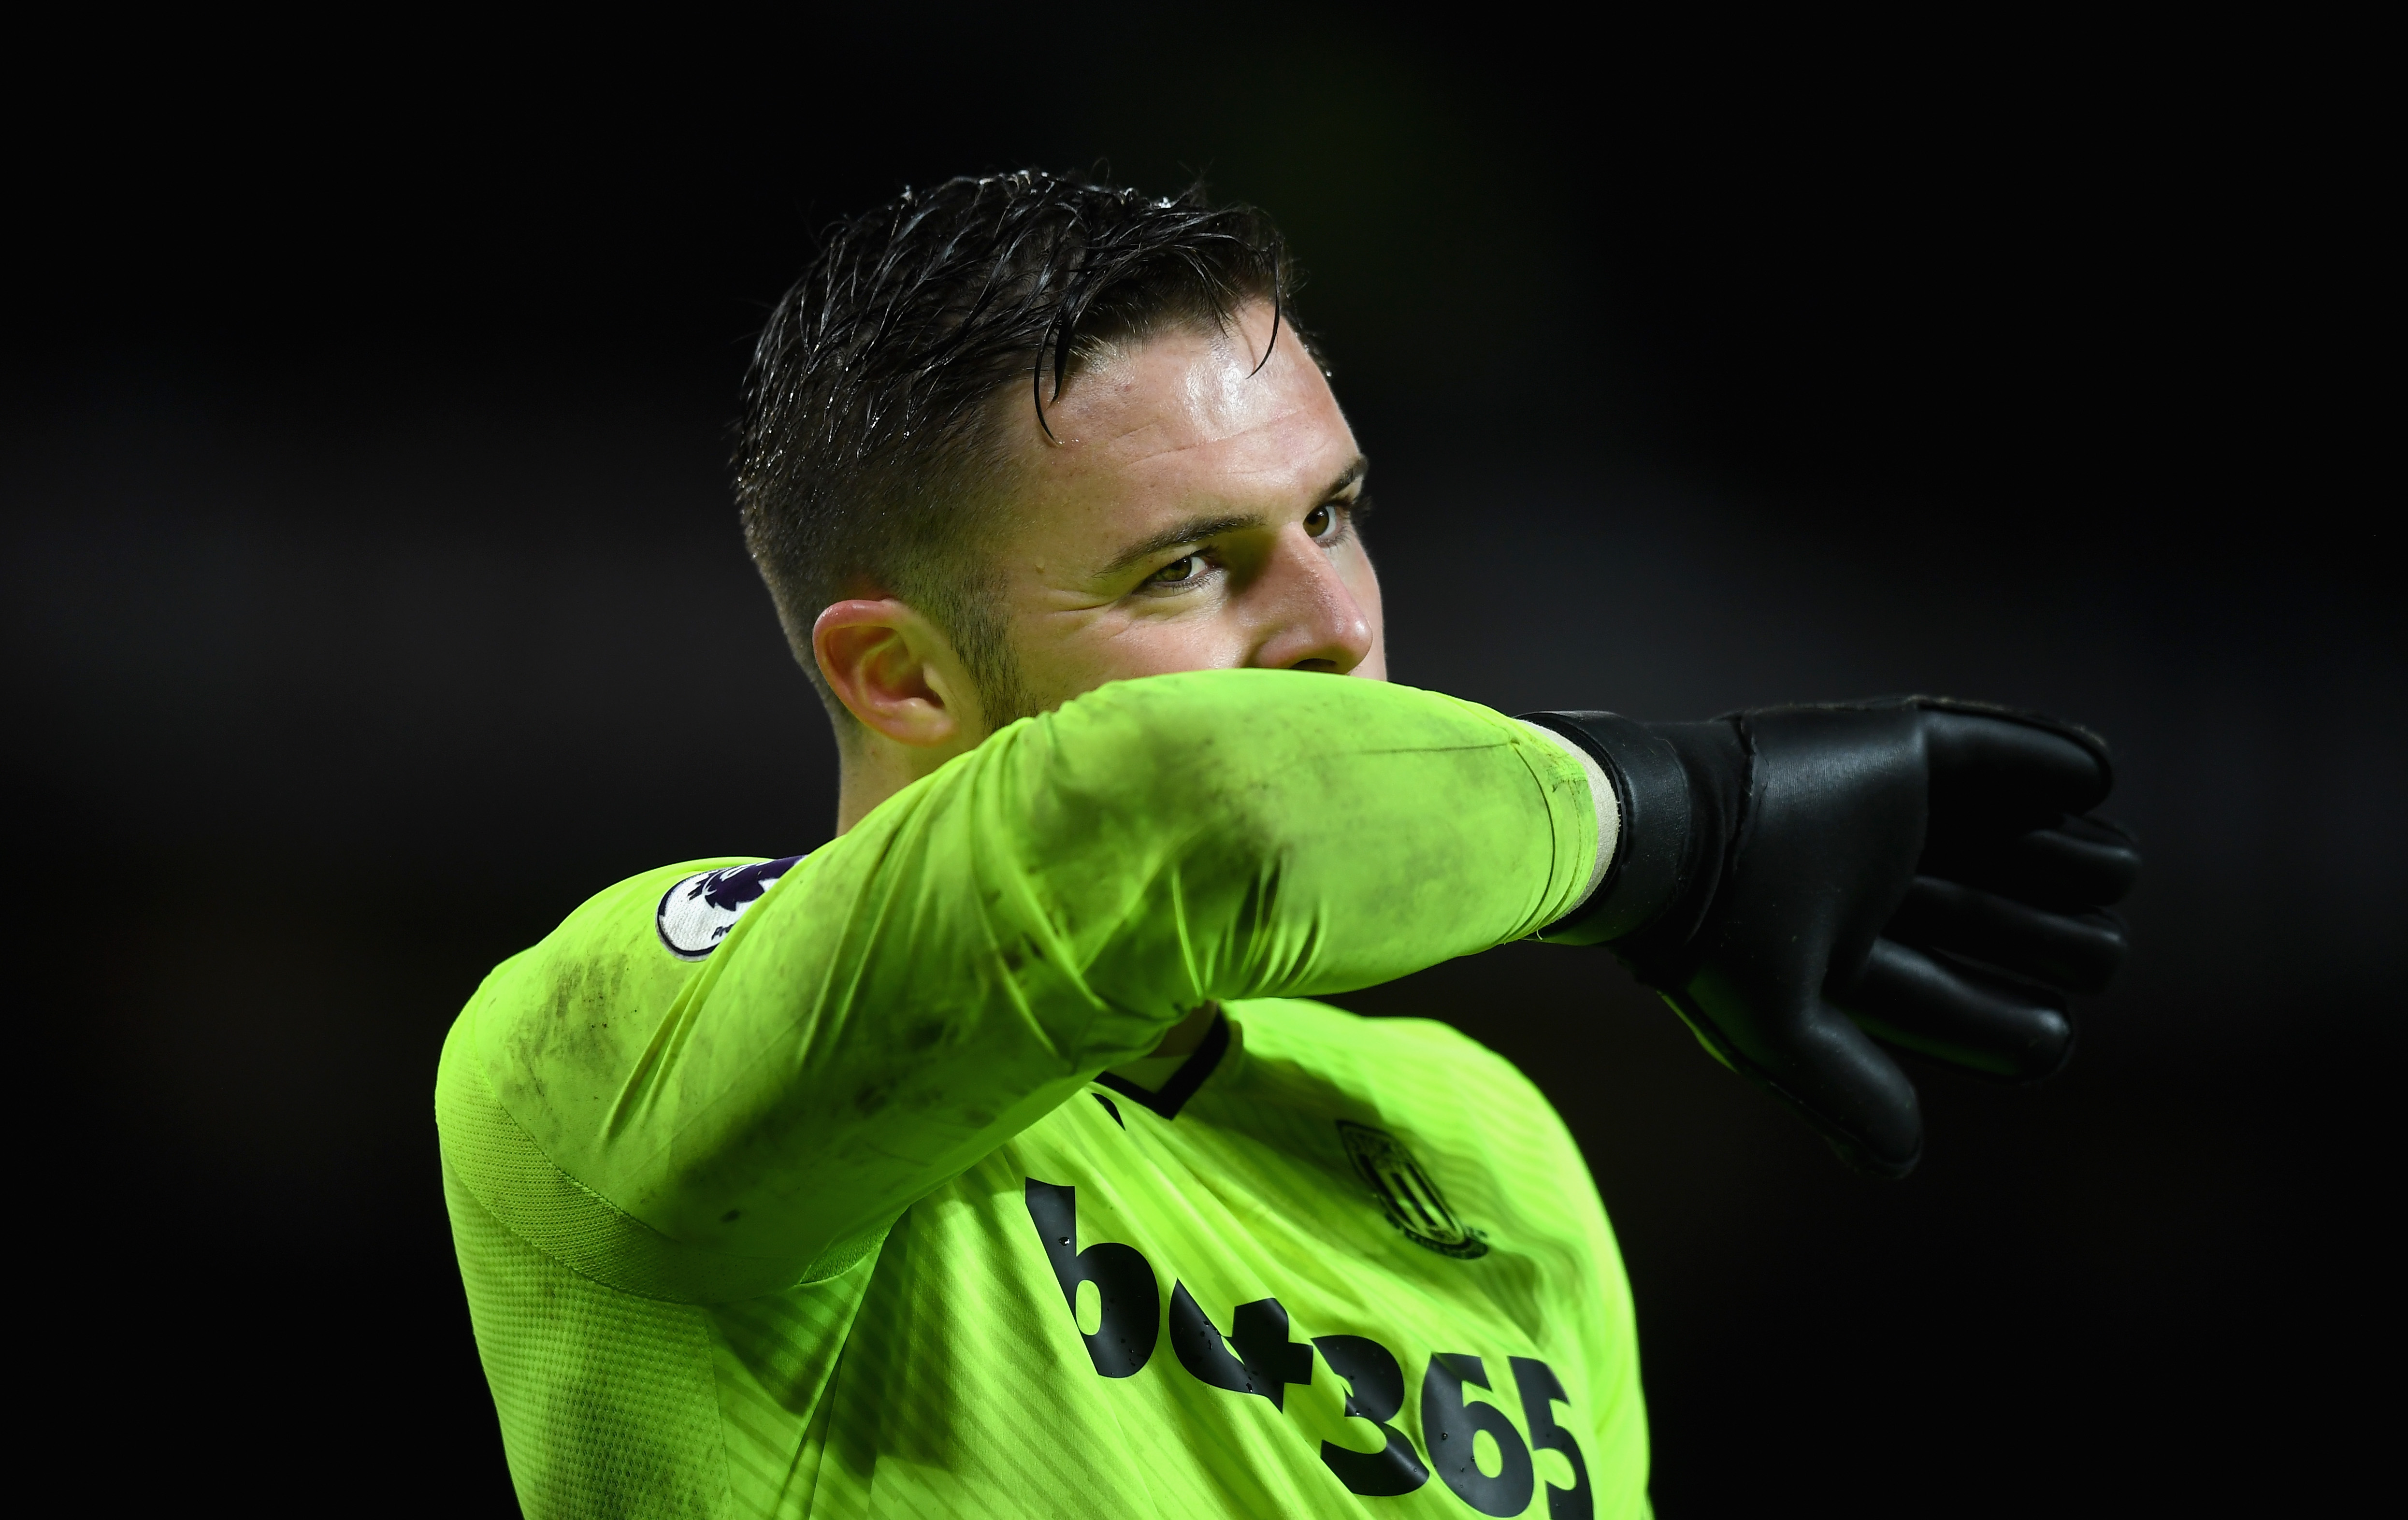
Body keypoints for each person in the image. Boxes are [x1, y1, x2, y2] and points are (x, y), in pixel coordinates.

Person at [436, 172, 2139, 1518]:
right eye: (1186, 565)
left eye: (1334, 516)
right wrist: (1668, 825)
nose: (1336, 621)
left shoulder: (1483, 1146)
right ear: (902, 673)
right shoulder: (619, 1063)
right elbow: (1192, 804)